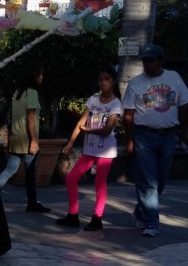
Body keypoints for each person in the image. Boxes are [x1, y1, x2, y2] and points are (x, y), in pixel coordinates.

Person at [122, 44, 188, 237]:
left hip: (168, 136)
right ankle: (151, 222)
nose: (147, 65)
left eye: (151, 61)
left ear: (160, 61)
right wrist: (129, 139)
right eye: (145, 61)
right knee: (148, 181)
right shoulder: (136, 83)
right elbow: (128, 114)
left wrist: (185, 130)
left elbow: (184, 105)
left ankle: (141, 210)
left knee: (160, 180)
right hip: (144, 137)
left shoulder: (174, 78)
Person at [55, 65, 122, 231]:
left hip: (106, 151)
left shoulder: (116, 103)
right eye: (100, 80)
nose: (103, 82)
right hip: (89, 150)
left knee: (99, 182)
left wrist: (90, 130)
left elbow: (107, 130)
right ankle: (73, 215)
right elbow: (81, 122)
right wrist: (70, 143)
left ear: (113, 81)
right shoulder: (93, 99)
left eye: (107, 79)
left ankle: (97, 219)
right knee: (71, 179)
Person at [0, 67, 51, 213]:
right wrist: (34, 140)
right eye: (41, 75)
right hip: (27, 139)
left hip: (16, 137)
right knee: (30, 172)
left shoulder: (18, 92)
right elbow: (30, 118)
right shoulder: (32, 93)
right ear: (35, 77)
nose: (42, 78)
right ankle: (32, 203)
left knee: (9, 169)